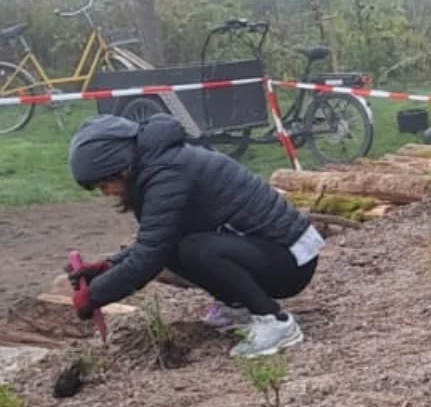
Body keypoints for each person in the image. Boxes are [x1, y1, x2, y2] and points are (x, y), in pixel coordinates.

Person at [66, 114, 322, 357]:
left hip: (292, 259)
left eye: (104, 185)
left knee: (197, 250)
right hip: (272, 251)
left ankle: (275, 323)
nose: (106, 193)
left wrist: (95, 294)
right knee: (177, 247)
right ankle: (239, 308)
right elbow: (159, 240)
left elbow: (150, 257)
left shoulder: (167, 173)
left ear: (121, 168)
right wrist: (109, 267)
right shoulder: (159, 166)